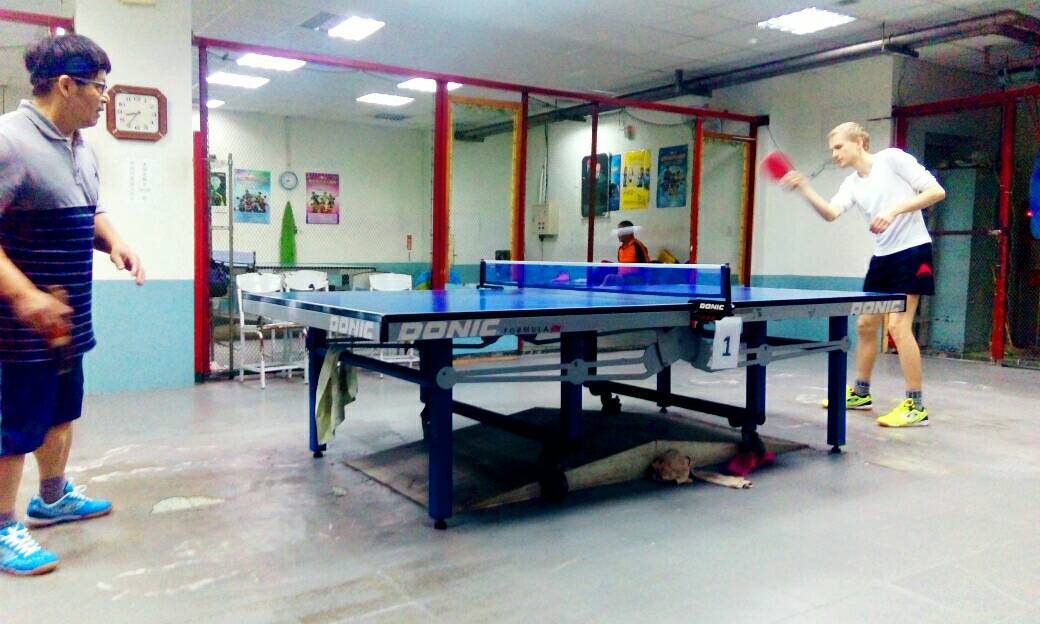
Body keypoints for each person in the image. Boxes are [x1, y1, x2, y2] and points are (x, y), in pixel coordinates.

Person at [0, 34, 145, 576]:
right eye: (98, 87)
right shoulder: (9, 141)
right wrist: (25, 296)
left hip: (68, 318)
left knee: (62, 410)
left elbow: (90, 211)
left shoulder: (79, 145)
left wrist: (115, 242)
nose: (104, 97)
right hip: (17, 326)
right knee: (15, 425)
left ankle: (53, 497)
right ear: (66, 85)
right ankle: (2, 528)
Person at [781, 122, 945, 428]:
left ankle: (916, 406)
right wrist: (804, 188)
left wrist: (894, 210)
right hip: (882, 258)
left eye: (839, 147)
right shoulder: (852, 184)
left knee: (898, 326)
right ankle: (861, 393)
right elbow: (831, 213)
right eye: (832, 149)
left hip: (913, 252)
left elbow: (936, 192)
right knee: (866, 324)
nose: (834, 154)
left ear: (859, 142)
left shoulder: (892, 159)